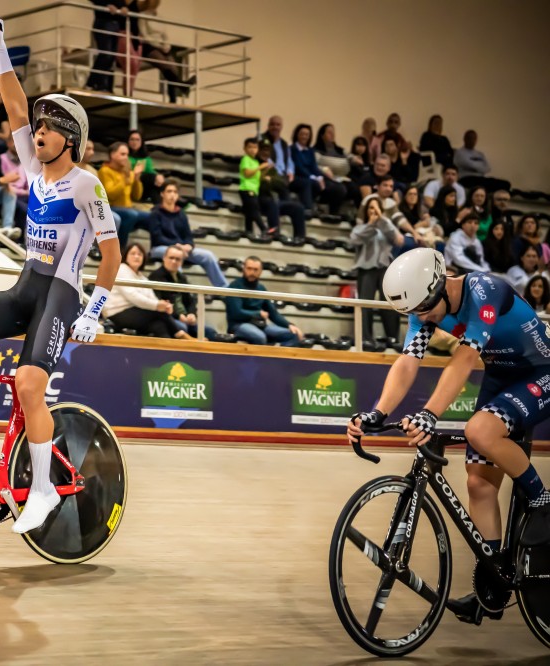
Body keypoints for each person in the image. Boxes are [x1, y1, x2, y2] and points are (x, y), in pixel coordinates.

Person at [0, 18, 120, 534]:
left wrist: (94, 312)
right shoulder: (34, 170)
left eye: (48, 129)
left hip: (60, 295)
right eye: (36, 129)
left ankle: (39, 492)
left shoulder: (87, 185)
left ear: (70, 139)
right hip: (26, 286)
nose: (36, 133)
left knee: (29, 385)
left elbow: (112, 254)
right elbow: (14, 102)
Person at [349, 247, 550, 624]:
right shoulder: (425, 307)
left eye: (425, 309)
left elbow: (464, 358)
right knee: (478, 484)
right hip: (504, 375)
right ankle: (493, 583)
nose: (422, 318)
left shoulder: (484, 290)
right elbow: (409, 361)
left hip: (542, 371)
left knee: (479, 430)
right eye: (415, 313)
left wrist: (429, 413)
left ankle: (543, 502)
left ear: (441, 285)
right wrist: (378, 412)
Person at [146, 179, 227, 287]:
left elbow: (188, 236)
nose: (172, 195)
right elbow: (157, 237)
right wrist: (177, 247)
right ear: (162, 194)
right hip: (160, 248)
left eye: (175, 192)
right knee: (175, 257)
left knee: (208, 256)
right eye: (169, 191)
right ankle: (181, 290)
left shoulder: (181, 214)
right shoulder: (155, 213)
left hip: (181, 248)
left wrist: (189, 246)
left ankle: (224, 290)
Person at [103, 242, 187, 339]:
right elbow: (133, 297)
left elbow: (152, 297)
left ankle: (168, 352)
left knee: (158, 325)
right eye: (133, 253)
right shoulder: (121, 270)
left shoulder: (142, 277)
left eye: (140, 254)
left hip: (136, 312)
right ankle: (180, 334)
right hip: (117, 313)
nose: (136, 257)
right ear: (126, 256)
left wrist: (163, 305)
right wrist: (158, 306)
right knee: (159, 313)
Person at [351, 195, 402, 346]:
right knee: (365, 303)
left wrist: (382, 219)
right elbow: (355, 240)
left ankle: (392, 336)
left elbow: (396, 238)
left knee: (390, 303)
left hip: (385, 267)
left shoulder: (386, 225)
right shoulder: (360, 228)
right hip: (366, 268)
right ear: (366, 211)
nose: (374, 211)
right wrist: (372, 225)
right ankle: (365, 337)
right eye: (371, 208)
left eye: (377, 207)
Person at [225, 256, 302, 346]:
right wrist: (258, 313)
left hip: (260, 325)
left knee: (293, 335)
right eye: (249, 269)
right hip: (238, 325)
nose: (252, 272)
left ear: (261, 271)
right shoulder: (234, 286)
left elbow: (273, 313)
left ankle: (277, 359)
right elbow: (236, 313)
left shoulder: (261, 289)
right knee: (259, 337)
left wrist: (289, 325)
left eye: (255, 270)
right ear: (243, 269)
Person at [148, 245, 218, 341]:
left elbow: (191, 300)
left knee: (210, 332)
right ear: (164, 258)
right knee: (183, 328)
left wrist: (192, 314)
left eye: (177, 259)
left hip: (185, 318)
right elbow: (158, 304)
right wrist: (178, 316)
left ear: (182, 262)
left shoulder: (182, 277)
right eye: (171, 258)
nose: (174, 261)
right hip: (168, 319)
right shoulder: (155, 277)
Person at [136, 0, 195, 102]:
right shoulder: (142, 16)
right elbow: (145, 35)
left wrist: (167, 45)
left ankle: (173, 98)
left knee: (173, 68)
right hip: (149, 46)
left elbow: (165, 35)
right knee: (165, 65)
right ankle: (183, 86)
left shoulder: (160, 17)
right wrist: (158, 46)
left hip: (161, 46)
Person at [98, 141, 150, 248]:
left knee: (152, 217)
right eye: (122, 154)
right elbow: (110, 194)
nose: (126, 158)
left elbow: (137, 196)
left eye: (127, 154)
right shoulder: (105, 171)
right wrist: (125, 180)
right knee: (132, 215)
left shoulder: (127, 173)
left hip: (127, 209)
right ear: (112, 155)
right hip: (111, 207)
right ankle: (120, 249)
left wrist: (136, 178)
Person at [290, 122, 344, 213]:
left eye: (307, 134)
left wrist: (320, 177)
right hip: (300, 177)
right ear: (297, 135)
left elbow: (314, 167)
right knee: (314, 184)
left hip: (313, 177)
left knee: (339, 188)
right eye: (302, 134)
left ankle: (333, 213)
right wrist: (314, 177)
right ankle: (309, 210)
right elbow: (298, 167)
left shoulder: (310, 150)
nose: (304, 137)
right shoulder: (292, 149)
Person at [239, 137, 272, 236]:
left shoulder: (255, 162)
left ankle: (249, 231)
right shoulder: (246, 159)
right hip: (246, 189)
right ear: (245, 149)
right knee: (254, 210)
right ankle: (264, 228)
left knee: (249, 213)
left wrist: (265, 173)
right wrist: (260, 167)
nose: (253, 150)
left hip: (254, 189)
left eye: (255, 147)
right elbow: (247, 174)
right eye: (250, 147)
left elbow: (256, 176)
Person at [127, 129, 163, 203]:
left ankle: (159, 208)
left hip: (143, 187)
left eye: (137, 140)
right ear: (128, 141)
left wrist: (158, 176)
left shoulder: (146, 158)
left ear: (141, 142)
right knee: (151, 178)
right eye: (132, 139)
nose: (134, 142)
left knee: (156, 184)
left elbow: (151, 171)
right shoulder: (125, 156)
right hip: (131, 185)